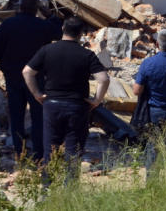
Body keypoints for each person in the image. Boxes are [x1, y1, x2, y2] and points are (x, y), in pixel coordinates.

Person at [0, 0, 60, 160]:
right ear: (36, 9)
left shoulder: (8, 25)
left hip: (13, 77)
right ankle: (39, 154)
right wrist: (48, 14)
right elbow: (58, 31)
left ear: (20, 8)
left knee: (17, 116)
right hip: (36, 78)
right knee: (38, 116)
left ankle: (20, 152)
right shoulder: (43, 26)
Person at [22, 16, 109, 164]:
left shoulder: (47, 50)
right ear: (81, 33)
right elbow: (104, 79)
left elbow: (27, 72)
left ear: (62, 28)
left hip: (52, 104)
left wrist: (37, 94)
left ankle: (48, 184)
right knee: (73, 151)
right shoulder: (87, 54)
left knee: (50, 149)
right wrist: (96, 101)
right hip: (77, 106)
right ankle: (70, 185)